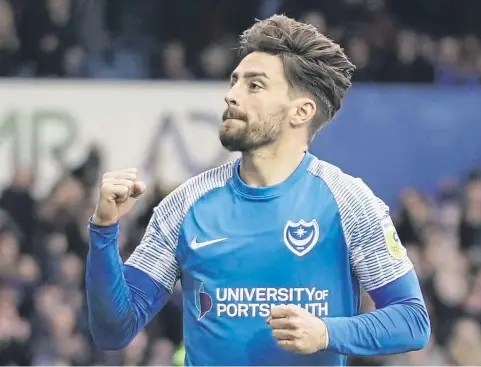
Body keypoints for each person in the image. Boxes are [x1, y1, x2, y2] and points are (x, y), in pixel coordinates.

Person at [85, 14, 430, 366]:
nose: (231, 95)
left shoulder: (348, 201)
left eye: (254, 85)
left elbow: (412, 320)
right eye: (234, 81)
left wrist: (327, 333)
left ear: (301, 111)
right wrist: (104, 229)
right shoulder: (186, 203)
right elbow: (114, 330)